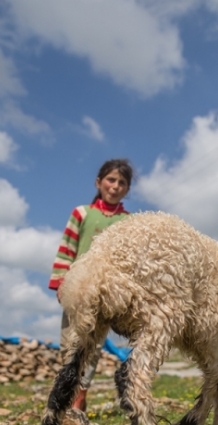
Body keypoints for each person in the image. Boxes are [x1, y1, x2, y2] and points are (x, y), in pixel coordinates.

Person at [49, 159, 134, 411]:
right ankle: (67, 395)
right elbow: (67, 250)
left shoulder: (128, 223)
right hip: (78, 288)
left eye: (122, 183)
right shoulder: (82, 214)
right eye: (111, 180)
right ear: (99, 182)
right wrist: (62, 283)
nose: (115, 186)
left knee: (92, 344)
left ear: (127, 190)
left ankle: (79, 399)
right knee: (69, 343)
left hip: (105, 292)